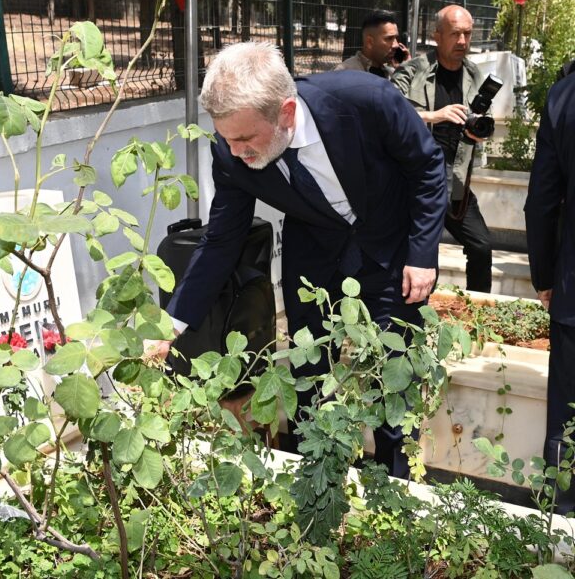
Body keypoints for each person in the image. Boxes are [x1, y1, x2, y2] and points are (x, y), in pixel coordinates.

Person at [148, 42, 446, 477]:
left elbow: (427, 169)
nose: (235, 152)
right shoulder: (229, 150)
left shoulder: (367, 100)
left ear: (286, 113)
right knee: (309, 374)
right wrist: (171, 325)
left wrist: (422, 253)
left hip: (391, 251)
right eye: (227, 138)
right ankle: (317, 484)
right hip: (315, 255)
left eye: (246, 139)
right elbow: (222, 240)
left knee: (393, 378)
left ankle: (396, 489)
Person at [392, 4, 493, 293]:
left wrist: (477, 133)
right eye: (455, 34)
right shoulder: (413, 71)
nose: (462, 41)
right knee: (426, 254)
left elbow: (480, 121)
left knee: (482, 246)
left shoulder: (475, 76)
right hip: (419, 179)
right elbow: (390, 114)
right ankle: (418, 316)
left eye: (467, 34)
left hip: (458, 179)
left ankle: (478, 315)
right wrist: (434, 115)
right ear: (437, 35)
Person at [525, 71, 575, 513]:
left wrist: (544, 276)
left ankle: (561, 525)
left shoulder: (564, 96)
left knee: (567, 418)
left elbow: (542, 200)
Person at [335, 10, 410, 78]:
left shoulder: (392, 73)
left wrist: (405, 69)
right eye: (389, 38)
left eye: (396, 38)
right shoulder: (345, 72)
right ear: (370, 42)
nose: (396, 45)